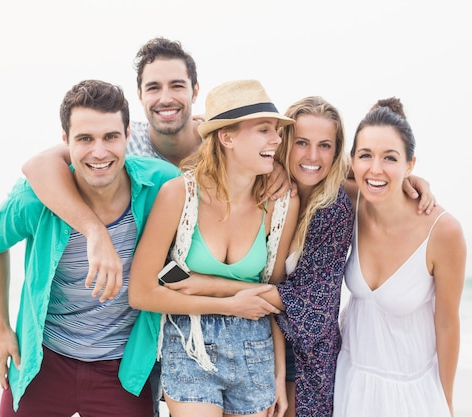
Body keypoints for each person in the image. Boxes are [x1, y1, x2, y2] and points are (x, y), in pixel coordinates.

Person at [20, 37, 291, 417]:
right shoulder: (120, 150)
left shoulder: (232, 157)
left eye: (177, 85)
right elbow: (39, 165)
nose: (166, 97)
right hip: (148, 332)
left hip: (207, 329)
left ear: (195, 91)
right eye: (154, 87)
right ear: (140, 96)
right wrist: (94, 232)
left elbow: (275, 288)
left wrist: (272, 162)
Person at [168, 96, 435, 417]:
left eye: (325, 146)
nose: (312, 156)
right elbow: (220, 146)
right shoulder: (264, 189)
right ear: (284, 144)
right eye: (302, 143)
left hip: (309, 355)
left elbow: (310, 302)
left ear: (337, 152)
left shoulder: (335, 208)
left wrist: (203, 285)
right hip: (256, 340)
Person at [0, 79, 180, 416]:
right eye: (85, 139)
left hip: (121, 368)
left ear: (128, 135)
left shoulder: (161, 184)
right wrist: (2, 329)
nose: (99, 152)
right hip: (44, 361)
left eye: (110, 137)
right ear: (65, 142)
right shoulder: (35, 199)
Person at [127, 79, 300, 417]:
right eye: (264, 130)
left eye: (276, 130)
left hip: (256, 347)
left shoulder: (281, 205)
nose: (277, 140)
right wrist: (233, 303)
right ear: (227, 137)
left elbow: (274, 296)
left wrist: (280, 375)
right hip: (190, 342)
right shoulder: (179, 195)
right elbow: (141, 292)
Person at [333, 97, 466, 417]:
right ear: (352, 160)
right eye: (366, 155)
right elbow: (307, 169)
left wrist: (445, 400)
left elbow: (447, 324)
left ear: (411, 164)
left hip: (411, 394)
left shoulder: (443, 231)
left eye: (390, 158)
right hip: (351, 382)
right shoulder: (353, 202)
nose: (375, 168)